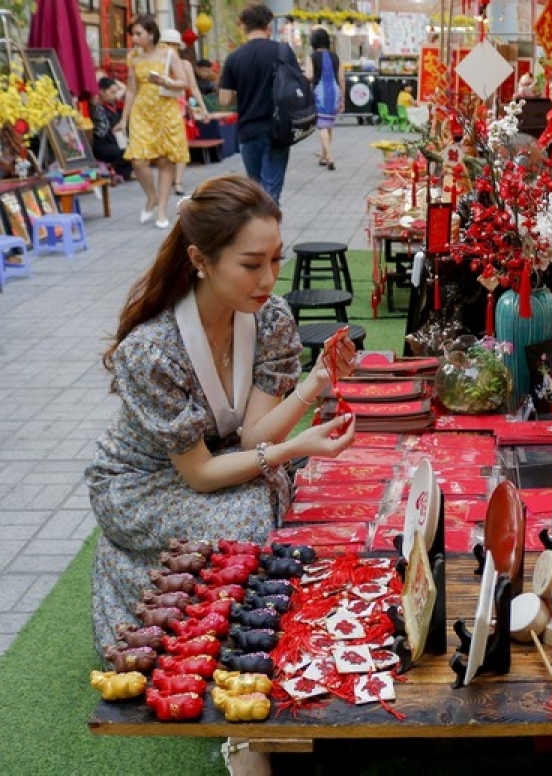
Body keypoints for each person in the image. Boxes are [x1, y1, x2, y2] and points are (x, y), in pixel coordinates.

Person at [87, 175, 359, 659]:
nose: (268, 279)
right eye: (251, 264)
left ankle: (229, 618)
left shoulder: (268, 319)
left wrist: (315, 380)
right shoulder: (153, 351)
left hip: (218, 457)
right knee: (256, 512)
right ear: (199, 260)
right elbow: (201, 475)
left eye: (276, 259)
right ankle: (193, 619)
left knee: (276, 490)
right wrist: (293, 449)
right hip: (141, 482)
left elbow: (253, 432)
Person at [113, 14, 190, 229]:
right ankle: (152, 196)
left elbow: (183, 82)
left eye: (138, 34)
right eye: (133, 34)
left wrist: (164, 80)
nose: (134, 38)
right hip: (141, 111)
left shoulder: (168, 54)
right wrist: (123, 118)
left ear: (151, 33)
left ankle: (163, 207)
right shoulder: (134, 57)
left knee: (165, 160)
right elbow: (130, 88)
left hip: (165, 109)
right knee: (137, 159)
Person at [219, 4, 300, 203]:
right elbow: (297, 87)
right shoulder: (282, 52)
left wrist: (246, 92)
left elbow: (224, 100)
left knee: (254, 191)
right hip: (278, 130)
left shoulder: (234, 58)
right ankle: (268, 230)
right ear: (268, 26)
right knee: (271, 190)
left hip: (248, 131)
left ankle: (256, 230)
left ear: (244, 27)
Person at [159, 28, 210, 196]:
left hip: (180, 109)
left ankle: (178, 181)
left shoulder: (185, 64)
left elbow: (193, 88)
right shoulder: (157, 64)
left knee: (181, 145)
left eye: (174, 45)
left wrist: (203, 108)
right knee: (164, 147)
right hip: (160, 109)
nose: (171, 48)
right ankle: (169, 176)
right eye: (167, 44)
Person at [304, 27, 344, 170]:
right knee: (329, 124)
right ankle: (323, 156)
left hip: (320, 92)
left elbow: (309, 76)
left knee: (321, 124)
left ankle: (330, 156)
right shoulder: (335, 57)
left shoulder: (312, 57)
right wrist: (342, 99)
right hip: (334, 91)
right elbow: (341, 79)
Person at [91, 77, 133, 181]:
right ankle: (111, 169)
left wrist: (120, 86)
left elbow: (129, 93)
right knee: (126, 152)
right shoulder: (97, 106)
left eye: (116, 92)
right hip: (102, 145)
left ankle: (119, 173)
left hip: (116, 142)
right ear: (101, 91)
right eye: (112, 92)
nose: (115, 95)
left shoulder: (115, 105)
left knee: (133, 149)